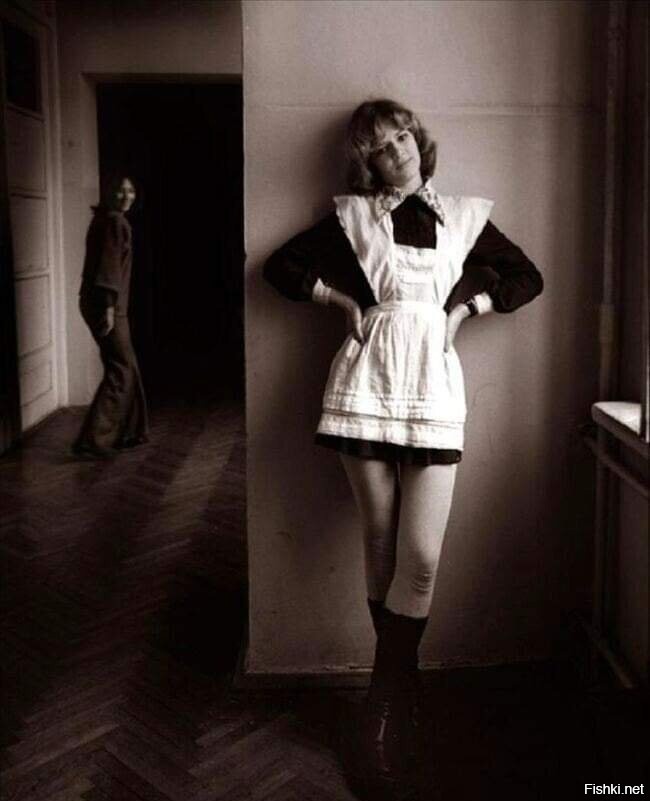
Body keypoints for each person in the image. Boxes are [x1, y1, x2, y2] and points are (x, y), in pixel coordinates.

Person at [264, 99, 543, 799]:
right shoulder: (353, 217)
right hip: (364, 385)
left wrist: (467, 309)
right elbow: (280, 267)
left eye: (403, 137)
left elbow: (527, 277)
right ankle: (390, 712)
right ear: (367, 162)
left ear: (419, 138)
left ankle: (386, 696)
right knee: (382, 543)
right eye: (382, 148)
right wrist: (341, 302)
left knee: (420, 559)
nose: (399, 152)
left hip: (434, 392)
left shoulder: (465, 217)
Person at [73, 175, 148, 458]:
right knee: (122, 369)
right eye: (120, 190)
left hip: (102, 303)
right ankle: (94, 441)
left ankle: (129, 432)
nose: (126, 195)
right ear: (108, 192)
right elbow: (108, 268)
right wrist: (108, 308)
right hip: (108, 306)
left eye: (131, 190)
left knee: (126, 366)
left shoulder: (104, 219)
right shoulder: (116, 222)